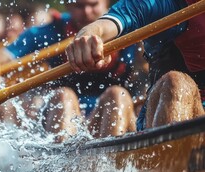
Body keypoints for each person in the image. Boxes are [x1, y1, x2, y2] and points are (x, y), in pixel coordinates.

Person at [0, 0, 144, 140]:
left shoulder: (126, 23)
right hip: (68, 119)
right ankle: (66, 171)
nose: (86, 12)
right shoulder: (53, 30)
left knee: (117, 95)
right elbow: (8, 53)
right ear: (68, 6)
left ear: (106, 3)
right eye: (79, 6)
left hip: (119, 114)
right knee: (63, 96)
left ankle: (111, 166)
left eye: (93, 5)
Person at [64, 0, 205, 131]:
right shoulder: (158, 4)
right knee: (175, 82)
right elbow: (103, 26)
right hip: (181, 113)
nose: (87, 12)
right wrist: (89, 37)